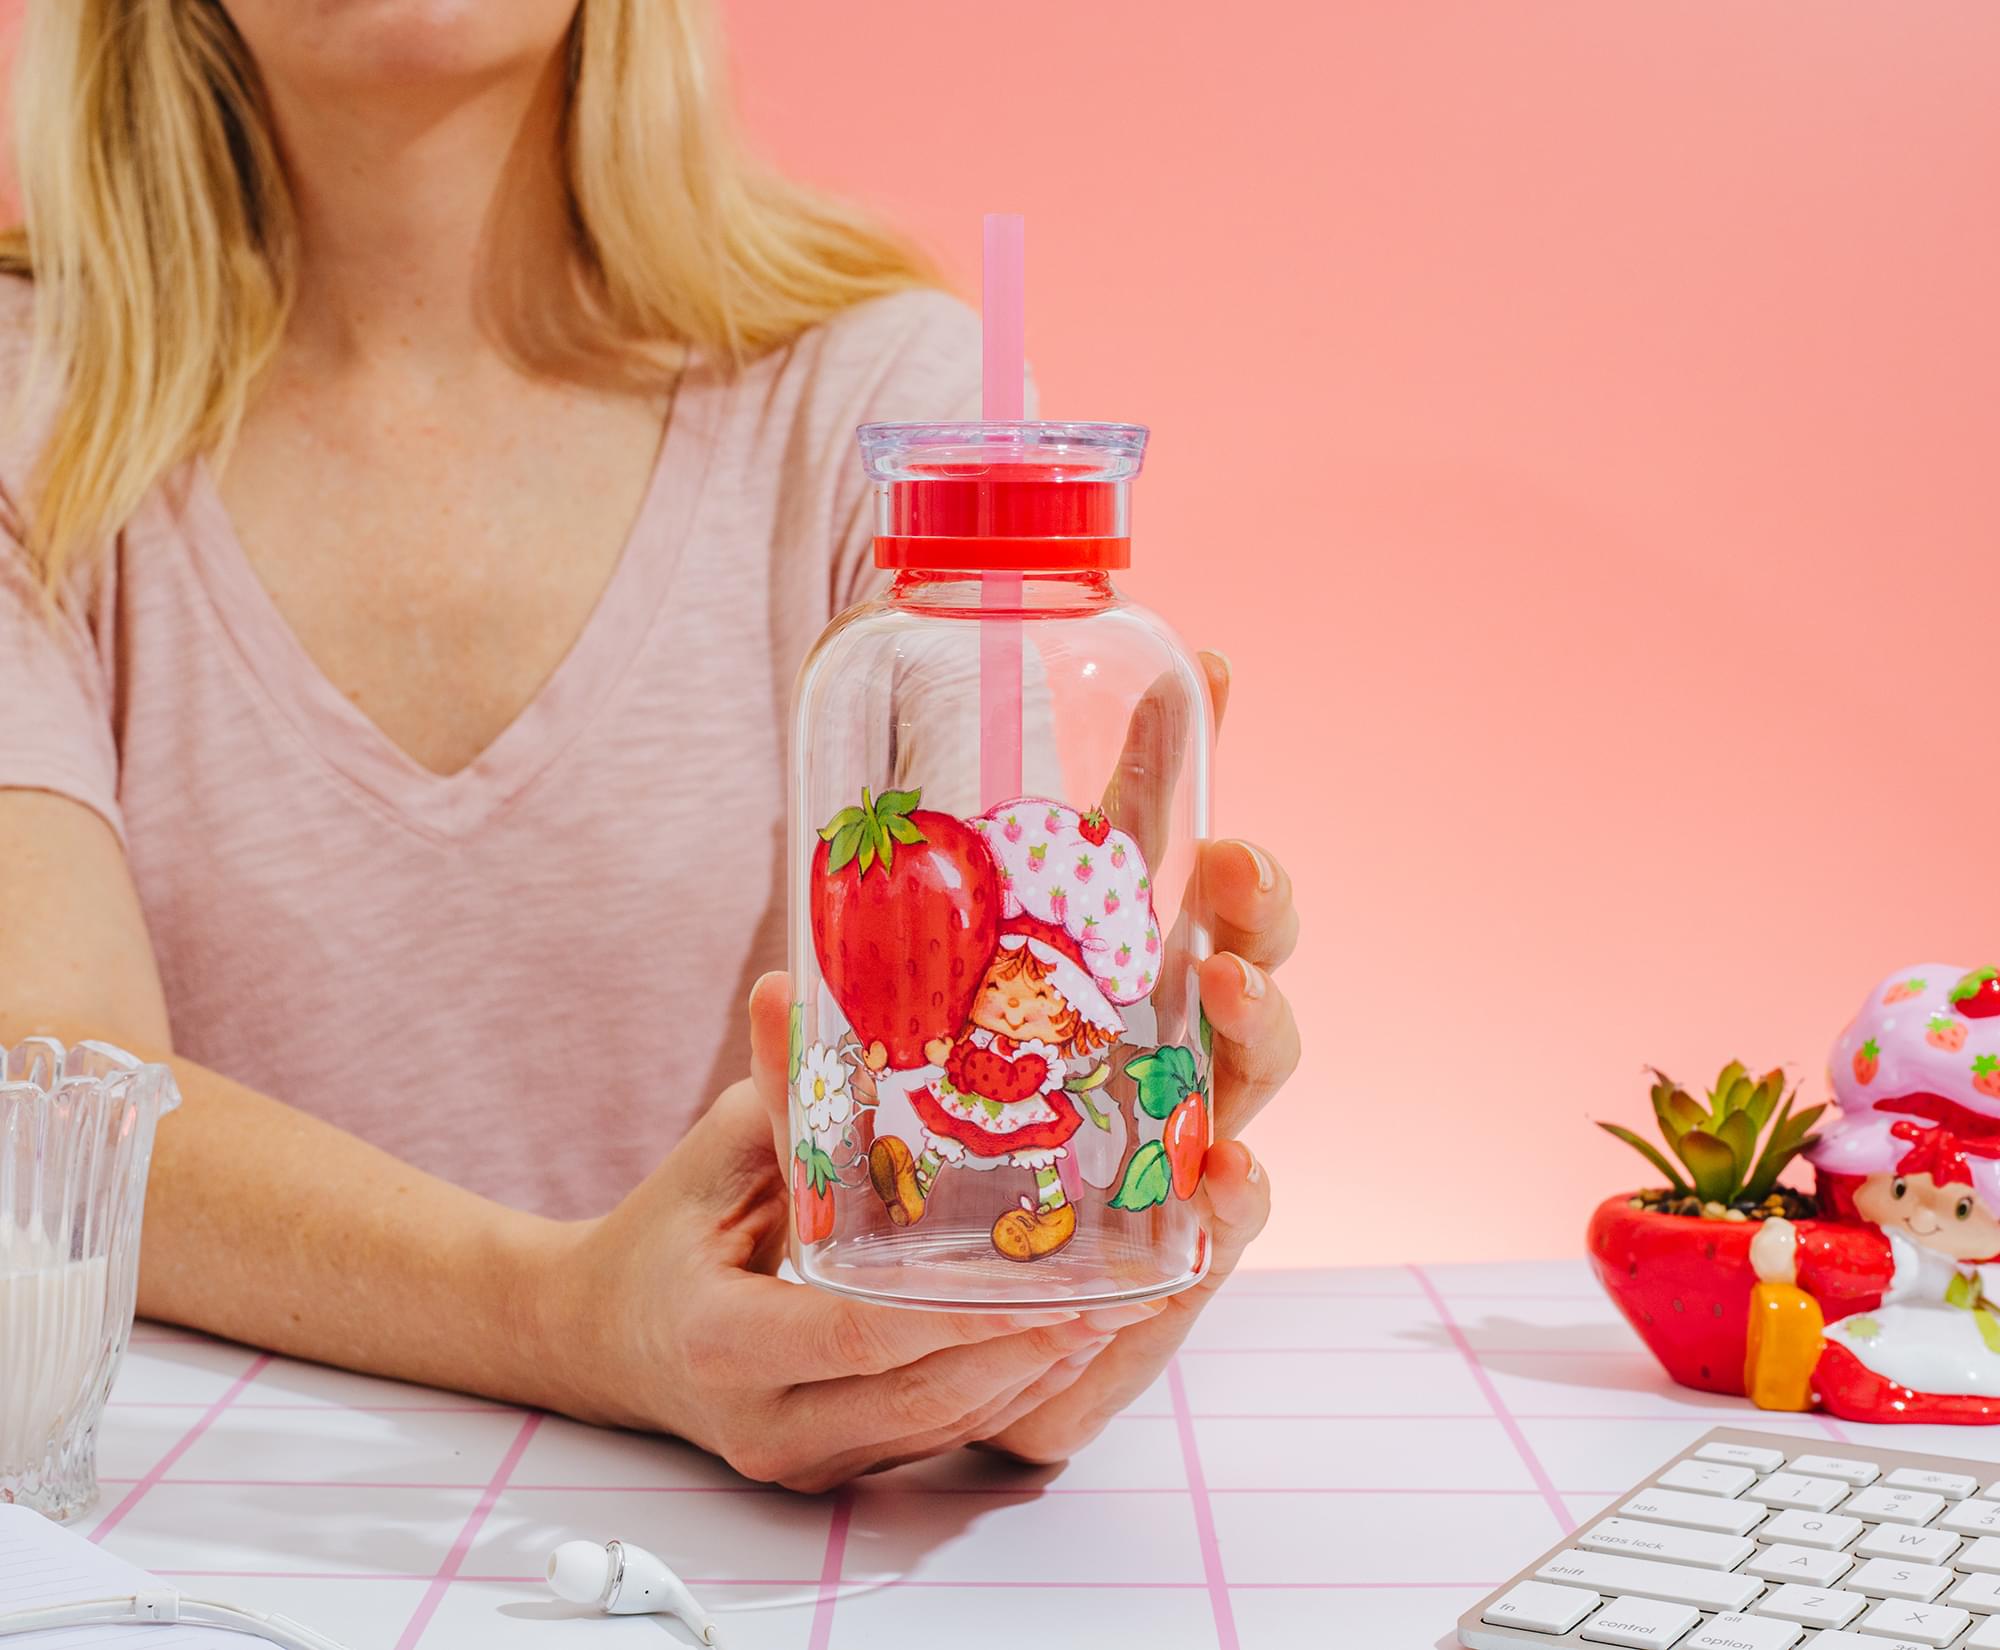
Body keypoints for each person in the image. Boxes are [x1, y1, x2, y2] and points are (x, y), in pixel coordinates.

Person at [0, 0, 1301, 1492]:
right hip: (204, 1553)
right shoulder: (24, 405)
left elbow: (967, 1135)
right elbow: (41, 1094)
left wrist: (1025, 1307)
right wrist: (568, 1319)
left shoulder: (880, 410)